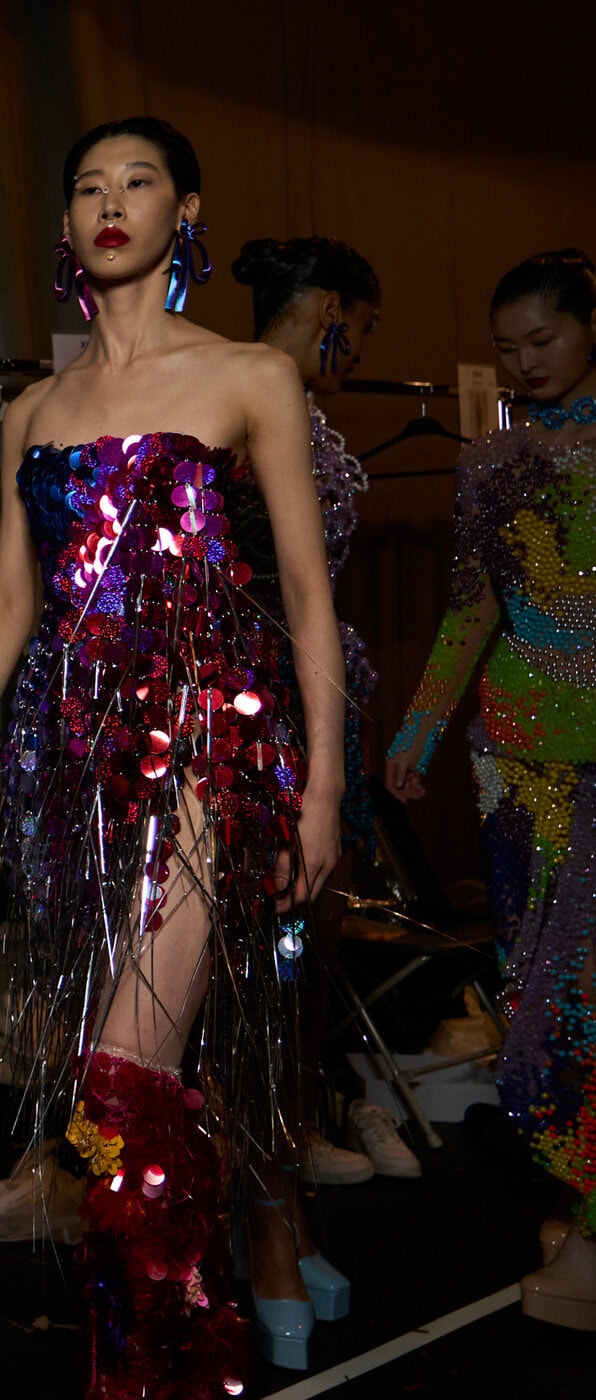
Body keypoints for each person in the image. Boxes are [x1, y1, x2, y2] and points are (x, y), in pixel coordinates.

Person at [0, 118, 347, 1389]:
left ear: (188, 211)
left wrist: (325, 783)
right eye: (87, 186)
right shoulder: (33, 409)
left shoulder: (250, 375)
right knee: (110, 1087)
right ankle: (159, 1334)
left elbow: (305, 594)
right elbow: (10, 603)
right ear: (65, 224)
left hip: (201, 750)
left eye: (138, 182)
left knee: (126, 1076)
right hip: (68, 766)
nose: (110, 202)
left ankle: (164, 1360)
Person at [386, 249, 596, 1331]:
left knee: (580, 990)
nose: (525, 363)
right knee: (528, 989)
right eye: (508, 347)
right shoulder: (489, 461)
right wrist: (420, 728)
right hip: (512, 759)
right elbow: (472, 608)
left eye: (543, 339)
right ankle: (578, 1197)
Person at [227, 234, 409, 1329]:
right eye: (363, 328)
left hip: (314, 727)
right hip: (249, 728)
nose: (361, 352)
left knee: (299, 980)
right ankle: (262, 1216)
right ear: (331, 309)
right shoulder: (238, 401)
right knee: (257, 980)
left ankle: (280, 1201)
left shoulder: (296, 411)